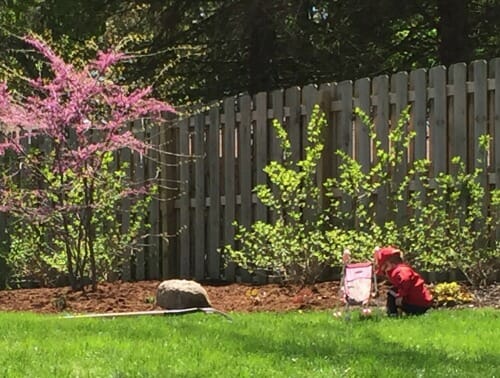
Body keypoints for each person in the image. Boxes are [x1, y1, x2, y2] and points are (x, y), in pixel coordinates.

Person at [374, 246, 433, 316]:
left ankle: (393, 313)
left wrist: (401, 295)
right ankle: (400, 311)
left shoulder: (400, 270)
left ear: (389, 263)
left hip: (416, 304)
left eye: (384, 266)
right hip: (421, 303)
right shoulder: (400, 269)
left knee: (391, 293)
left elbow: (405, 280)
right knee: (394, 290)